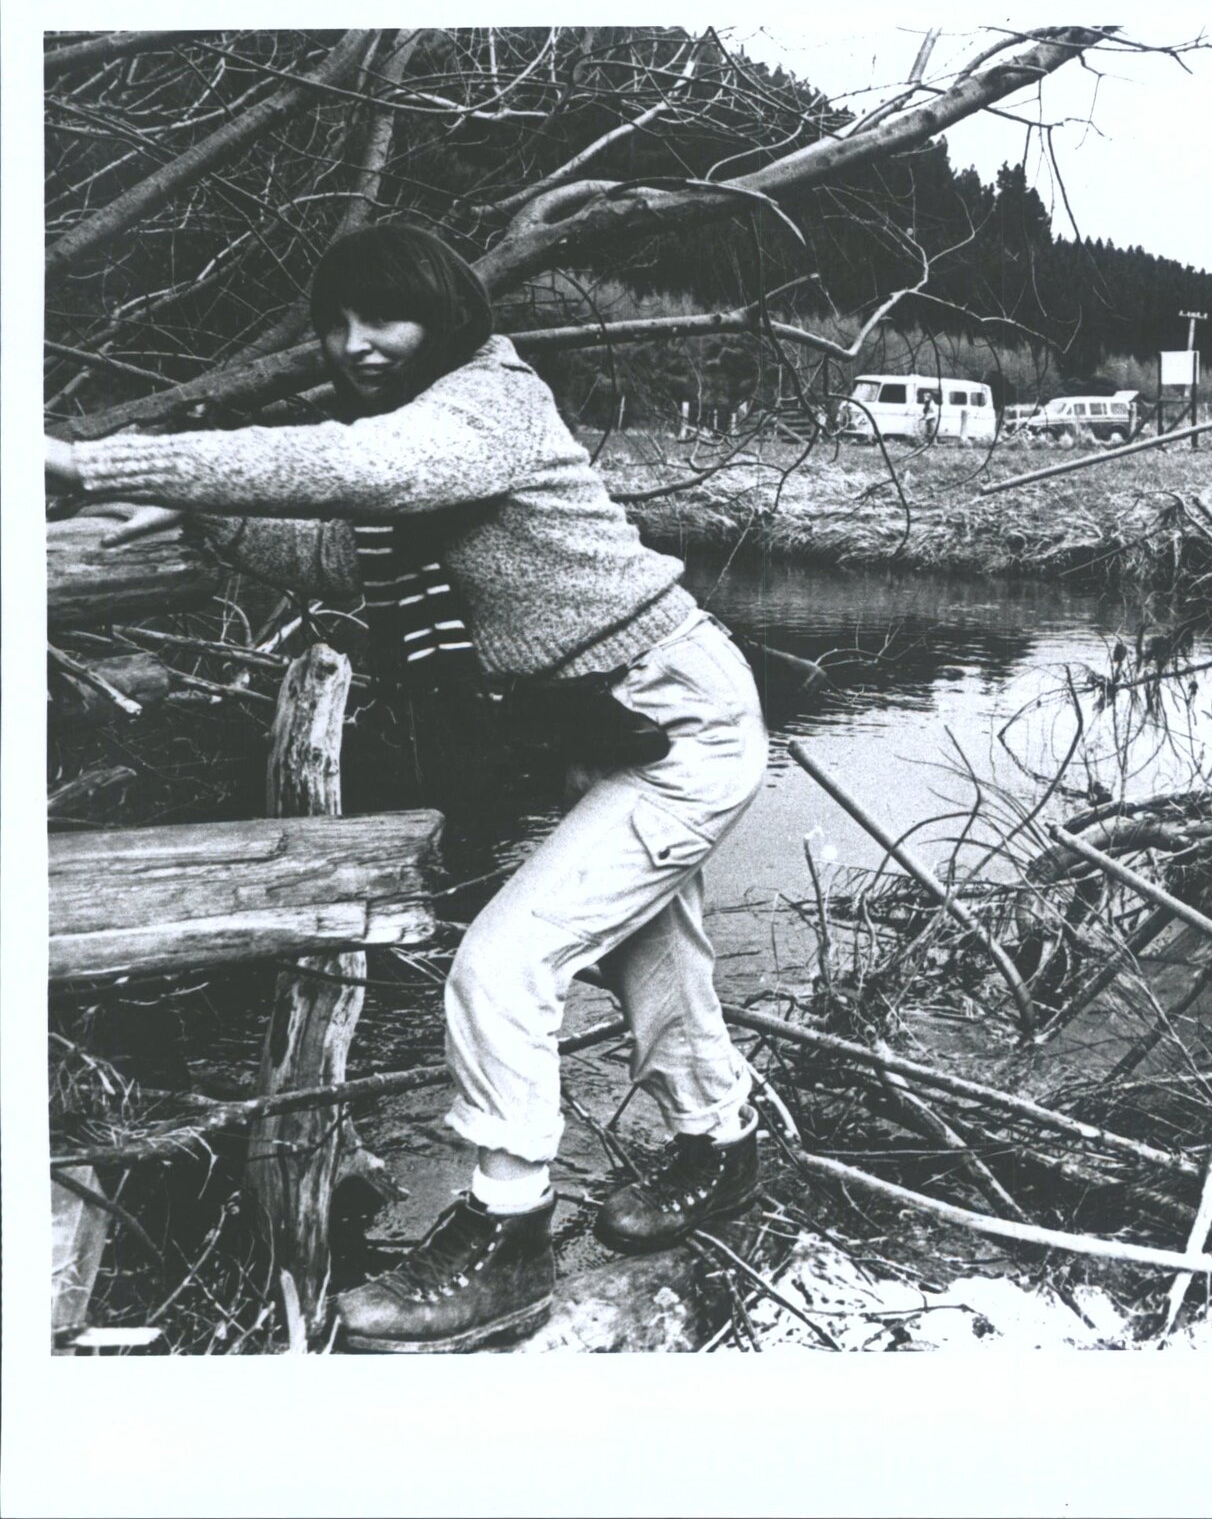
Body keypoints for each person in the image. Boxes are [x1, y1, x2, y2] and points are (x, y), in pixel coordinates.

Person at [46, 224, 769, 1353]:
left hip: (678, 721)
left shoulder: (486, 407)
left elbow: (359, 468)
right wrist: (206, 513)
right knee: (649, 946)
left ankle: (507, 1231)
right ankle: (719, 1142)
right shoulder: (436, 447)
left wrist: (107, 461)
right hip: (615, 726)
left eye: (383, 317)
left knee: (502, 964)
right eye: (334, 325)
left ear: (447, 314)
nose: (356, 343)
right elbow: (346, 553)